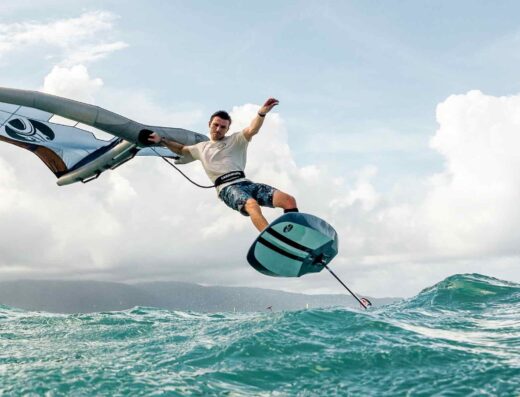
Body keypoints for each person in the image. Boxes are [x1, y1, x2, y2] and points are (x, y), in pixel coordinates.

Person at [148, 98, 298, 232]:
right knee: (252, 205)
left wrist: (261, 113)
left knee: (288, 200)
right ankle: (272, 241)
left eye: (222, 127)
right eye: (215, 125)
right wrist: (161, 140)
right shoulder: (201, 147)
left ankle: (295, 235)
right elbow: (181, 149)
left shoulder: (236, 140)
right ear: (209, 124)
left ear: (227, 129)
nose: (218, 129)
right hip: (227, 188)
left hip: (246, 183)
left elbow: (252, 129)